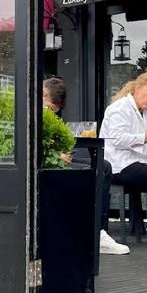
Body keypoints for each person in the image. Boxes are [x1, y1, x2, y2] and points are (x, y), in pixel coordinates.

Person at [42, 77, 120, 254]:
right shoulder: (31, 112)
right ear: (43, 94)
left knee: (104, 166)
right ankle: (91, 232)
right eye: (50, 108)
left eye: (54, 111)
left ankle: (100, 229)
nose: (51, 113)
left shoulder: (46, 114)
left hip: (56, 158)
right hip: (45, 162)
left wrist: (63, 149)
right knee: (89, 171)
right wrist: (56, 154)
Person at [99, 72, 147, 250]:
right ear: (138, 87)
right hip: (118, 164)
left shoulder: (145, 112)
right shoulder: (119, 108)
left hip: (137, 161)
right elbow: (117, 139)